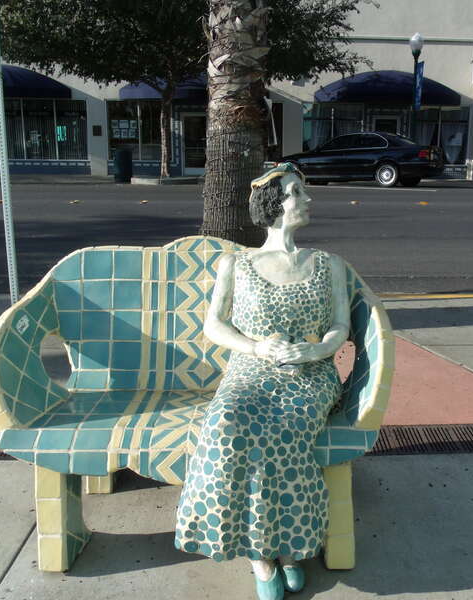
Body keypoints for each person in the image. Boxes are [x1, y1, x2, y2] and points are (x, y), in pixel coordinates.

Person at [174, 163, 351, 600]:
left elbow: (340, 328)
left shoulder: (328, 264)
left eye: (302, 190)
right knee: (226, 422)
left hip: (309, 373)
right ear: (273, 205)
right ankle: (260, 552)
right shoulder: (237, 264)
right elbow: (214, 326)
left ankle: (289, 547)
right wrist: (257, 348)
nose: (306, 199)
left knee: (286, 429)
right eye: (295, 192)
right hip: (252, 368)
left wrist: (314, 351)